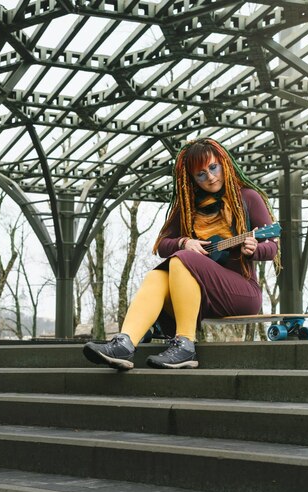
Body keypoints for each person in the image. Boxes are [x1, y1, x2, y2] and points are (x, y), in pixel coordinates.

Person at [83, 137, 280, 370]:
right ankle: (124, 344)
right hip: (197, 296)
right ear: (192, 179)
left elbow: (272, 246)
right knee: (158, 275)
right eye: (201, 174)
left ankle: (185, 345)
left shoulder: (248, 197)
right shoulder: (187, 206)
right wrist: (184, 241)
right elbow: (163, 245)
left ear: (224, 163)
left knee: (182, 261)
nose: (210, 177)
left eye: (213, 167)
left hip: (242, 293)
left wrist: (255, 249)